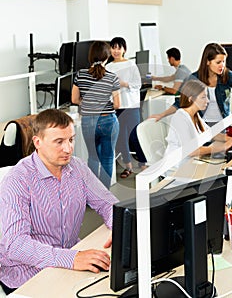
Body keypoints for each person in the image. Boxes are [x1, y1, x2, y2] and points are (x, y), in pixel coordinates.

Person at [0, 109, 119, 294]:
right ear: (37, 142)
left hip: (69, 259)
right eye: (59, 142)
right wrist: (71, 259)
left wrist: (117, 225)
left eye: (71, 139)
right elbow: (16, 246)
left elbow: (107, 204)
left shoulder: (77, 167)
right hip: (26, 273)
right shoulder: (18, 180)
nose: (68, 148)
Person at [150, 43, 232, 124]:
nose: (222, 66)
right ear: (207, 62)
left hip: (223, 124)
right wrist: (162, 115)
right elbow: (180, 102)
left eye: (224, 62)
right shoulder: (194, 78)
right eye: (218, 62)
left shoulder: (228, 76)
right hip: (202, 125)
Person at [72, 41, 121, 189]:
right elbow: (117, 104)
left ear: (90, 56)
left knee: (93, 157)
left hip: (88, 121)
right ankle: (104, 193)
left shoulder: (80, 75)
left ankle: (93, 192)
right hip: (108, 121)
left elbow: (74, 99)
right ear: (107, 57)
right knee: (107, 158)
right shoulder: (112, 77)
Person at [164, 80, 232, 160]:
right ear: (191, 99)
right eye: (203, 97)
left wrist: (231, 139)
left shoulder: (196, 115)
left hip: (191, 162)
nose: (208, 101)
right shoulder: (180, 118)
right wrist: (223, 147)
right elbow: (191, 151)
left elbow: (211, 133)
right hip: (176, 165)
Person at [106, 37, 147, 178]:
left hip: (130, 105)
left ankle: (143, 165)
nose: (116, 51)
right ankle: (128, 166)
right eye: (113, 47)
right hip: (116, 106)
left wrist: (122, 83)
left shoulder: (131, 64)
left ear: (124, 49)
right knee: (120, 138)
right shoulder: (108, 67)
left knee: (135, 135)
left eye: (119, 48)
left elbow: (138, 84)